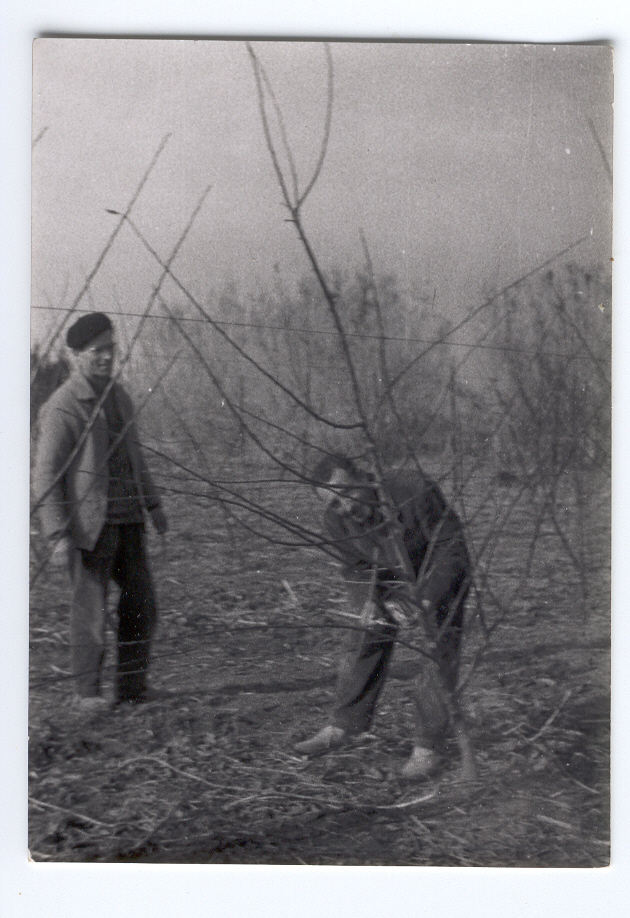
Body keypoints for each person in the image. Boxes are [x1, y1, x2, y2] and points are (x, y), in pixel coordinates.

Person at [295, 453, 472, 780]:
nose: (345, 507)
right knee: (365, 632)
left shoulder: (413, 489)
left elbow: (452, 548)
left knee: (438, 647)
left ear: (363, 477)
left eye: (347, 493)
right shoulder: (336, 521)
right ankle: (345, 724)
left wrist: (426, 599)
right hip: (391, 578)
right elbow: (356, 567)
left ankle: (427, 745)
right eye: (334, 503)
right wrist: (369, 602)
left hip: (438, 574)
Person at [33, 312, 168, 711]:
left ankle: (132, 688)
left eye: (111, 348)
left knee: (142, 605)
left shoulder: (120, 397)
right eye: (97, 351)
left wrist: (154, 505)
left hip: (130, 522)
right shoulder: (62, 406)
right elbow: (45, 476)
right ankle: (87, 694)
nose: (107, 357)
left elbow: (136, 459)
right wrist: (57, 534)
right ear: (76, 355)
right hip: (90, 528)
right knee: (90, 613)